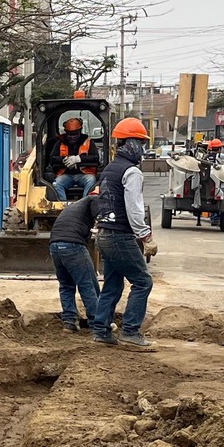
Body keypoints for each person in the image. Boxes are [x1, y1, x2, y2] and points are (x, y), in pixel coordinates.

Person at [92, 115, 157, 350]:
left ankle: (101, 330)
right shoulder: (132, 172)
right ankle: (130, 331)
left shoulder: (109, 169)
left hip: (104, 234)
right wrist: (146, 236)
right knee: (143, 282)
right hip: (120, 235)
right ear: (130, 144)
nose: (141, 149)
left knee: (113, 284)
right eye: (140, 143)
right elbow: (134, 208)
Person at [49, 183, 101, 333]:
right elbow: (100, 218)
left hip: (54, 245)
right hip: (73, 245)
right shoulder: (94, 199)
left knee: (66, 285)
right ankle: (97, 322)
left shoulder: (76, 205)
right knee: (88, 284)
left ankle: (69, 322)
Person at [51, 115, 99, 202]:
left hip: (84, 174)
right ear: (66, 132)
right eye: (70, 134)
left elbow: (95, 158)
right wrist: (64, 159)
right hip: (66, 175)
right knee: (56, 184)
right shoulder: (60, 143)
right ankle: (63, 207)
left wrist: (79, 159)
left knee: (91, 181)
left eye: (75, 134)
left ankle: (84, 205)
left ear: (80, 131)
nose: (72, 137)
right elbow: (52, 158)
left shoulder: (88, 142)